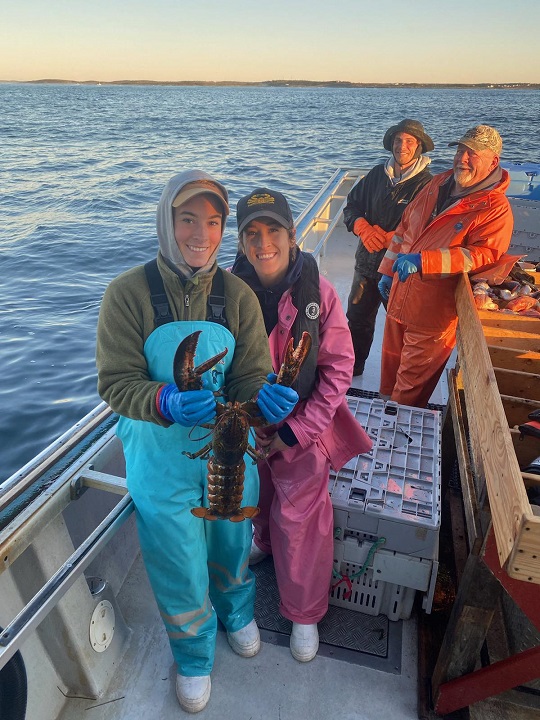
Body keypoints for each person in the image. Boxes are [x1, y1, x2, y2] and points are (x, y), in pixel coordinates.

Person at [96, 171, 299, 713]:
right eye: (188, 219)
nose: (201, 233)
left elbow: (251, 375)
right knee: (176, 559)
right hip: (159, 461)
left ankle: (237, 612)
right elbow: (115, 383)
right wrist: (162, 400)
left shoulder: (237, 295)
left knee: (234, 545)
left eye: (213, 221)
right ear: (167, 221)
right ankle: (192, 653)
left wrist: (266, 399)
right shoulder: (127, 294)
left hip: (231, 453)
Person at [231, 188, 372, 663]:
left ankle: (305, 612)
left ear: (292, 236)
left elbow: (336, 373)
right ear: (241, 240)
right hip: (250, 428)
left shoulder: (321, 296)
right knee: (257, 500)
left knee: (301, 519)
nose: (262, 242)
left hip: (301, 432)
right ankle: (262, 543)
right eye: (252, 233)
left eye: (273, 231)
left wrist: (293, 432)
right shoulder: (228, 296)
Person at [377, 125, 513, 408]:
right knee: (388, 378)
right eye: (460, 149)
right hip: (398, 300)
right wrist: (387, 270)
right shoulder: (437, 183)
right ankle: (381, 421)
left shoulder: (495, 208)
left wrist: (424, 261)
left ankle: (399, 432)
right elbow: (405, 227)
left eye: (472, 153)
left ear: (493, 161)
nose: (462, 158)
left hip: (433, 315)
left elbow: (483, 255)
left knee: (408, 393)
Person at [343, 119, 434, 376]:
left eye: (408, 141)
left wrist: (393, 238)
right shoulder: (375, 175)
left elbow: (431, 227)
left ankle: (402, 379)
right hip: (366, 263)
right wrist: (362, 227)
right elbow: (351, 206)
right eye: (397, 140)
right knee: (357, 318)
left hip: (400, 269)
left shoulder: (428, 185)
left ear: (419, 147)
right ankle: (352, 369)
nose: (401, 146)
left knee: (401, 326)